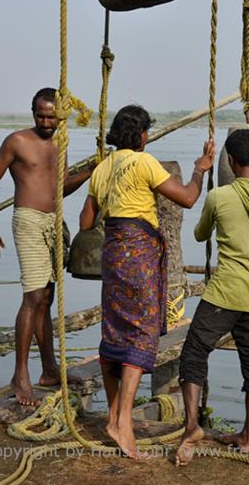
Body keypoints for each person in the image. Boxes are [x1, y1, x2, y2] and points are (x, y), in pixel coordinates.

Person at [80, 104, 215, 458]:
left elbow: (85, 222)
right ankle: (122, 421)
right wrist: (200, 171)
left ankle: (114, 415)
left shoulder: (104, 166)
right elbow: (186, 198)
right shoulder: (143, 162)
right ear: (141, 135)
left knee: (114, 332)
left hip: (113, 256)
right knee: (141, 335)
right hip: (139, 257)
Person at [176, 128, 249, 465]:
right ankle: (248, 437)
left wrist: (203, 174)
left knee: (194, 351)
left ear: (231, 160)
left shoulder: (219, 197)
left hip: (224, 292)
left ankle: (192, 426)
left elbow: (199, 235)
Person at [0, 87, 95, 406]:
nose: (46, 121)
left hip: (52, 222)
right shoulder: (17, 141)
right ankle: (20, 375)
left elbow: (59, 189)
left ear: (60, 115)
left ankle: (49, 369)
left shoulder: (61, 142)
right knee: (32, 296)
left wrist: (90, 171)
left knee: (46, 296)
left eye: (51, 115)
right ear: (33, 113)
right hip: (28, 220)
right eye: (41, 115)